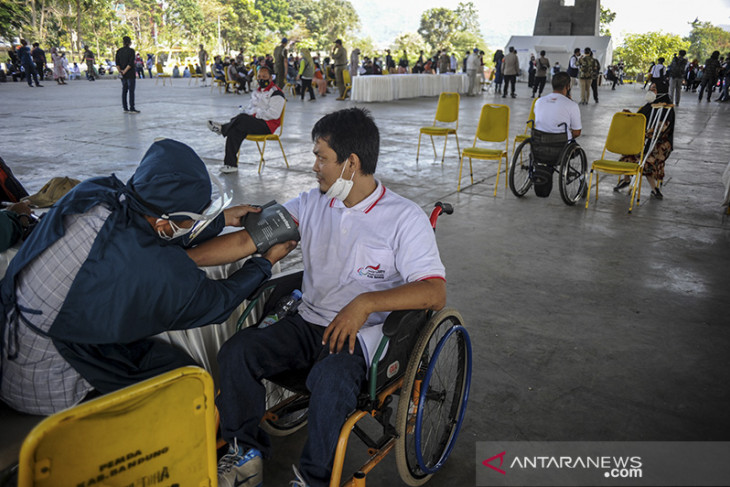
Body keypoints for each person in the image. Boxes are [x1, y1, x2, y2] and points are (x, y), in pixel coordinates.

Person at [209, 107, 447, 487]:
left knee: (331, 380)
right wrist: (180, 256)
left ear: (351, 163)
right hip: (309, 321)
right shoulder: (312, 203)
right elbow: (245, 241)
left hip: (361, 336)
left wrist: (365, 303)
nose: (315, 166)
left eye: (322, 157)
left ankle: (313, 479)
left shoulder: (404, 218)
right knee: (238, 352)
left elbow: (434, 292)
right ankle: (246, 455)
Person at [0, 138, 297, 415]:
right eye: (190, 219)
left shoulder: (96, 193)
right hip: (46, 380)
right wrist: (264, 263)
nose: (192, 223)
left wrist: (217, 221)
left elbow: (148, 234)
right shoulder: (156, 272)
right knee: (183, 378)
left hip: (9, 345)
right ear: (162, 221)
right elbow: (217, 302)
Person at [207, 66, 285, 174]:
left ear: (271, 78)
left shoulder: (277, 93)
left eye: (264, 76)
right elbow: (250, 108)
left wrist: (255, 114)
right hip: (254, 122)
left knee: (241, 119)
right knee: (235, 130)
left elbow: (274, 114)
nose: (261, 79)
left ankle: (223, 128)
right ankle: (230, 164)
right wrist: (250, 113)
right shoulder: (257, 92)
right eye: (259, 76)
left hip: (267, 126)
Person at [614, 83, 675, 200]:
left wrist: (645, 133)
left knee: (646, 161)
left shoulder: (667, 110)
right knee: (628, 151)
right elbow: (639, 120)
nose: (651, 92)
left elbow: (659, 130)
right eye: (650, 89)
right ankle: (627, 180)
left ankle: (654, 189)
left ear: (662, 91)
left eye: (654, 89)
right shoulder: (648, 106)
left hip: (660, 144)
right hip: (646, 139)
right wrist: (630, 116)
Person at [532, 72, 582, 196]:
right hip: (560, 148)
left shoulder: (539, 101)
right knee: (574, 144)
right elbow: (577, 132)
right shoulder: (571, 105)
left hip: (539, 146)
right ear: (567, 86)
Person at [115, 36, 139, 114]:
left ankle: (125, 107)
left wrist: (121, 72)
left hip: (122, 74)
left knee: (124, 90)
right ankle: (132, 107)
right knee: (131, 91)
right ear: (130, 43)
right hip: (130, 73)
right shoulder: (131, 51)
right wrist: (125, 71)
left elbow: (117, 63)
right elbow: (131, 63)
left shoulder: (119, 51)